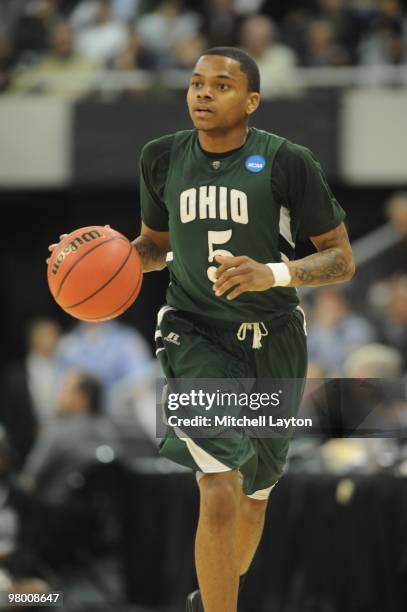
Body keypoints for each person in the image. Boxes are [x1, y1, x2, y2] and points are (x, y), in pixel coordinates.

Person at [48, 47, 355, 612]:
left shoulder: (287, 161)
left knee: (254, 499)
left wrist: (273, 273)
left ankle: (210, 598)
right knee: (218, 485)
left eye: (220, 85)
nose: (203, 93)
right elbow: (154, 250)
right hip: (194, 333)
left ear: (252, 101)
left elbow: (340, 260)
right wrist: (86, 256)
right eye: (195, 83)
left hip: (275, 337)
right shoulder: (161, 157)